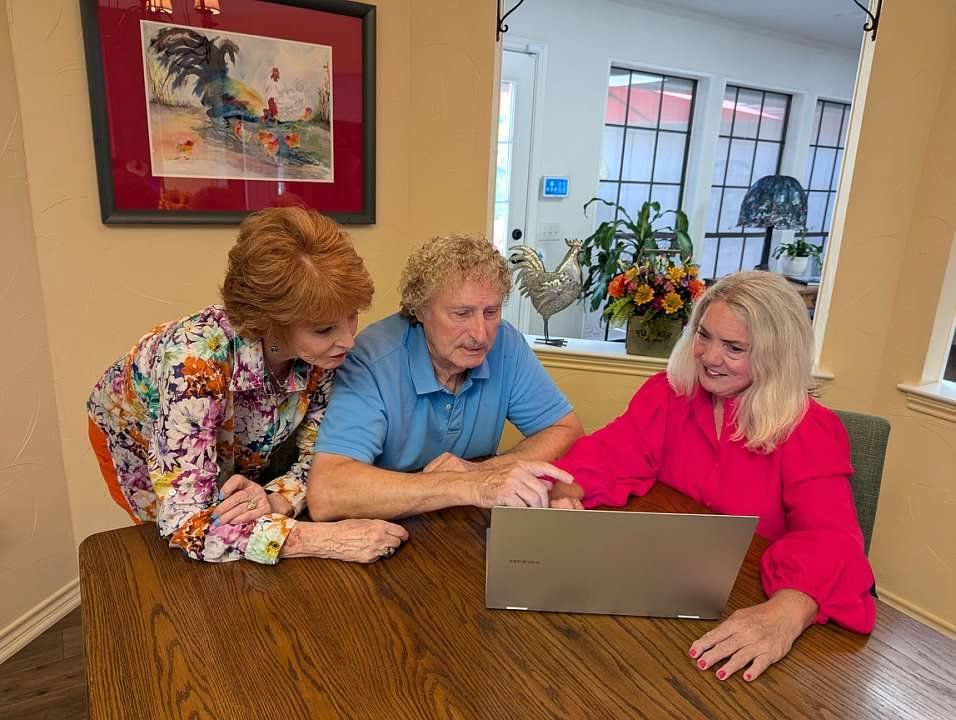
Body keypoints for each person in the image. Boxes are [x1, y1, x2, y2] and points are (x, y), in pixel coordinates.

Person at [548, 270, 875, 682]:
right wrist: (566, 490)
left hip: (745, 600)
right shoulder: (670, 393)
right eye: (704, 336)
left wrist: (787, 614)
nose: (709, 357)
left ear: (776, 355)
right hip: (663, 585)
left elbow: (832, 540)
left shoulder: (812, 431)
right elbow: (612, 451)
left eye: (734, 347)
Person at [87, 207, 408, 564]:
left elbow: (316, 460)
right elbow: (185, 522)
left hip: (243, 442)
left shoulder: (325, 354)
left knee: (241, 515)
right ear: (270, 321)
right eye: (324, 329)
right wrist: (319, 539)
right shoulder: (192, 362)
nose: (349, 340)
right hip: (139, 436)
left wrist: (275, 500)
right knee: (172, 560)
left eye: (351, 316)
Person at [308, 233, 582, 520]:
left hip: (464, 524)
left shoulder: (506, 344)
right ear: (419, 310)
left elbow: (567, 431)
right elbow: (328, 492)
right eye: (462, 313)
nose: (480, 334)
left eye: (491, 312)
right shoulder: (371, 358)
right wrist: (467, 484)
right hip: (388, 527)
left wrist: (481, 472)